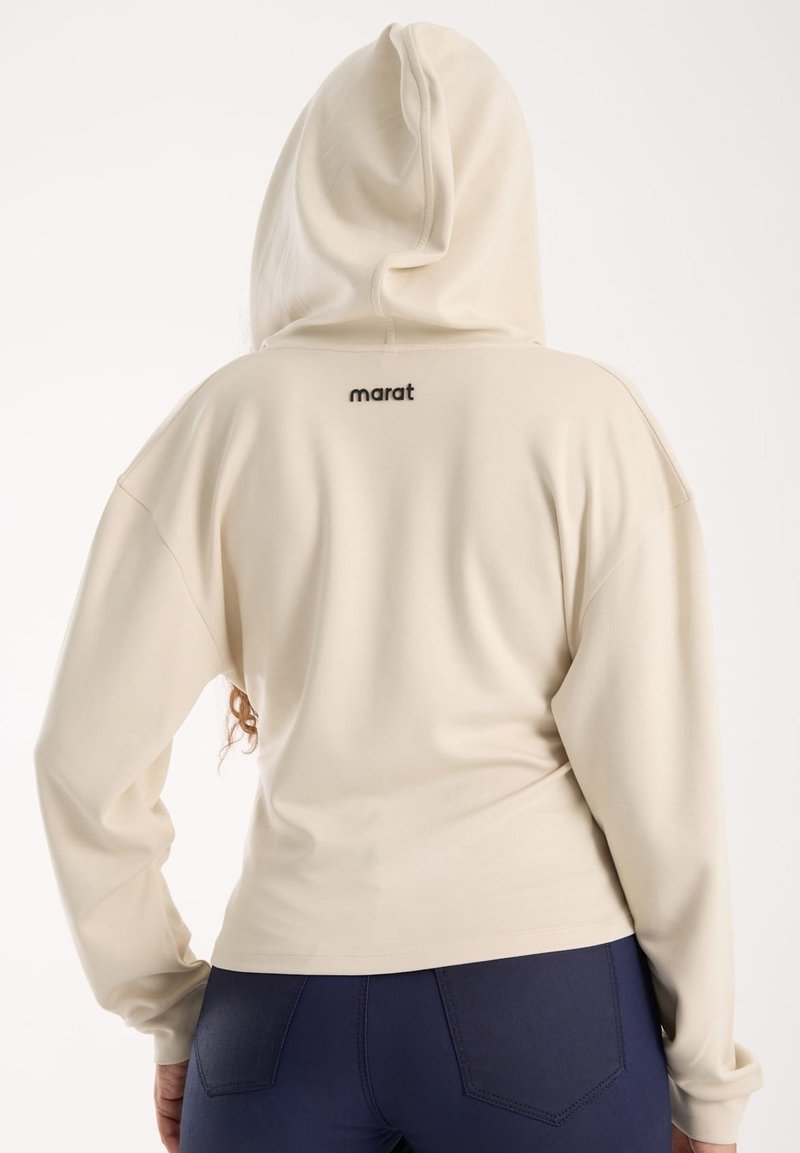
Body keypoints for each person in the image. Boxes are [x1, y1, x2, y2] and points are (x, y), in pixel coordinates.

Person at [33, 19, 764, 1153]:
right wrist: (708, 1086)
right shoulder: (588, 420)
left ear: (305, 193)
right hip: (547, 1014)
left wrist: (171, 1007)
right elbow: (664, 795)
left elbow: (82, 762)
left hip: (278, 1021)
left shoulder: (226, 421)